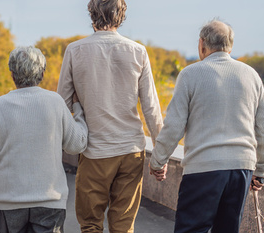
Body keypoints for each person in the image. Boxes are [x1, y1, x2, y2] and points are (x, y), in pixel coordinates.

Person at [149, 19, 264, 233]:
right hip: (240, 169)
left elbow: (174, 126)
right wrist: (260, 170)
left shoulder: (190, 75)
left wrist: (157, 161)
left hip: (202, 170)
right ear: (230, 46)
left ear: (202, 44)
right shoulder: (251, 75)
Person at [56, 0, 163, 232]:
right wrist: (160, 156)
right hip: (131, 151)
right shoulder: (138, 51)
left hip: (95, 151)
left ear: (92, 14)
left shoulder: (75, 50)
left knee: (91, 224)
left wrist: (69, 138)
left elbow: (62, 104)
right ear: (121, 16)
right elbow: (151, 108)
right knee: (123, 226)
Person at [0, 46, 88, 233]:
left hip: (8, 204)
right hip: (50, 202)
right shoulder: (56, 102)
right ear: (42, 73)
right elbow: (76, 145)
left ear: (12, 74)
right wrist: (79, 112)